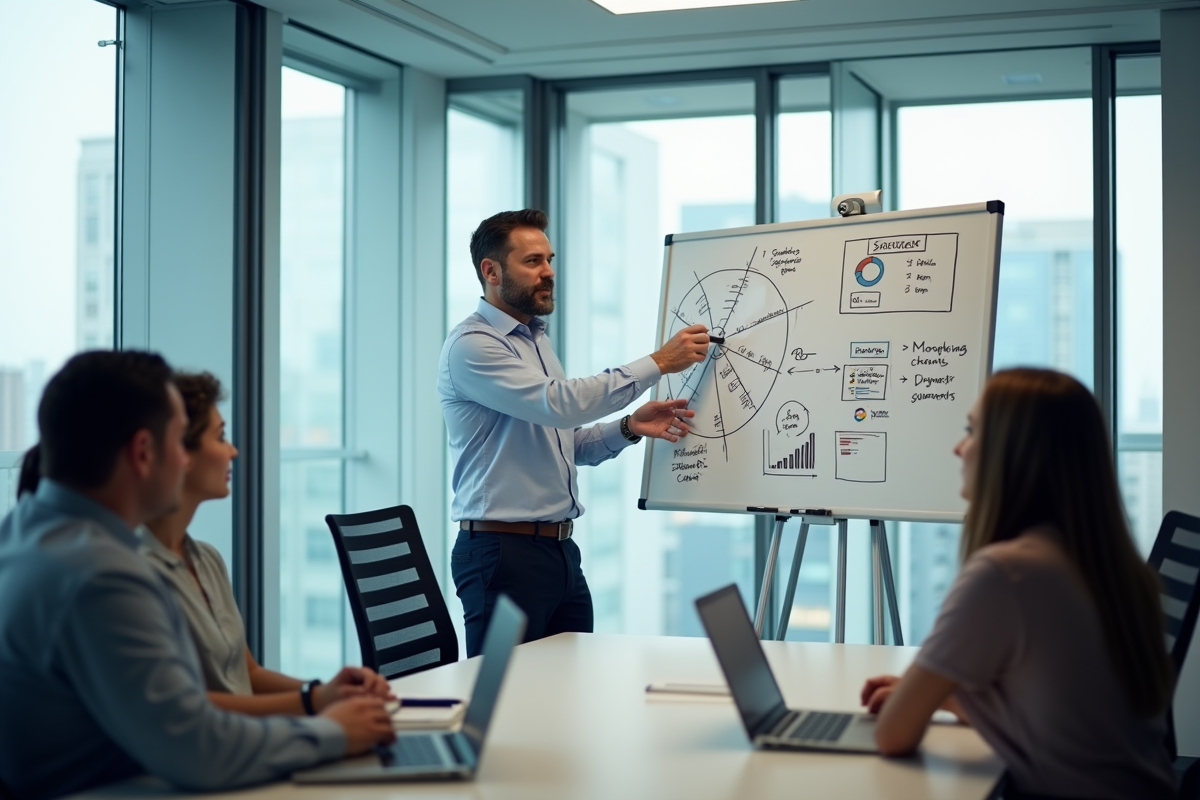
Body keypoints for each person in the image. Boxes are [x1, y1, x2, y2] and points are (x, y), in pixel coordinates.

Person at [0, 351, 394, 799]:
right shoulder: (100, 574)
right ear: (144, 453)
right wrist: (334, 733)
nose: (185, 461)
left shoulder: (25, 533)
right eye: (176, 443)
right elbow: (198, 748)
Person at [859, 367, 1176, 799]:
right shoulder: (1112, 567)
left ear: (1013, 452)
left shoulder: (1005, 574)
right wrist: (944, 698)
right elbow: (1059, 716)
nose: (958, 447)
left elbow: (891, 735)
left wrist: (919, 699)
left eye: (971, 430)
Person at [439, 208, 710, 656]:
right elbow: (562, 405)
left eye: (549, 259)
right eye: (532, 262)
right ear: (491, 271)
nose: (548, 272)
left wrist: (628, 427)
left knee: (567, 689)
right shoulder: (473, 346)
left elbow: (561, 443)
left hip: (559, 552)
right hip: (502, 554)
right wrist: (658, 362)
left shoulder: (534, 340)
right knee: (508, 706)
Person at [141, 371, 391, 716]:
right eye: (220, 437)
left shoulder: (206, 560)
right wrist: (314, 705)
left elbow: (250, 675)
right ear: (180, 452)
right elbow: (183, 709)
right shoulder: (138, 572)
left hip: (256, 740)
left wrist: (332, 692)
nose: (233, 450)